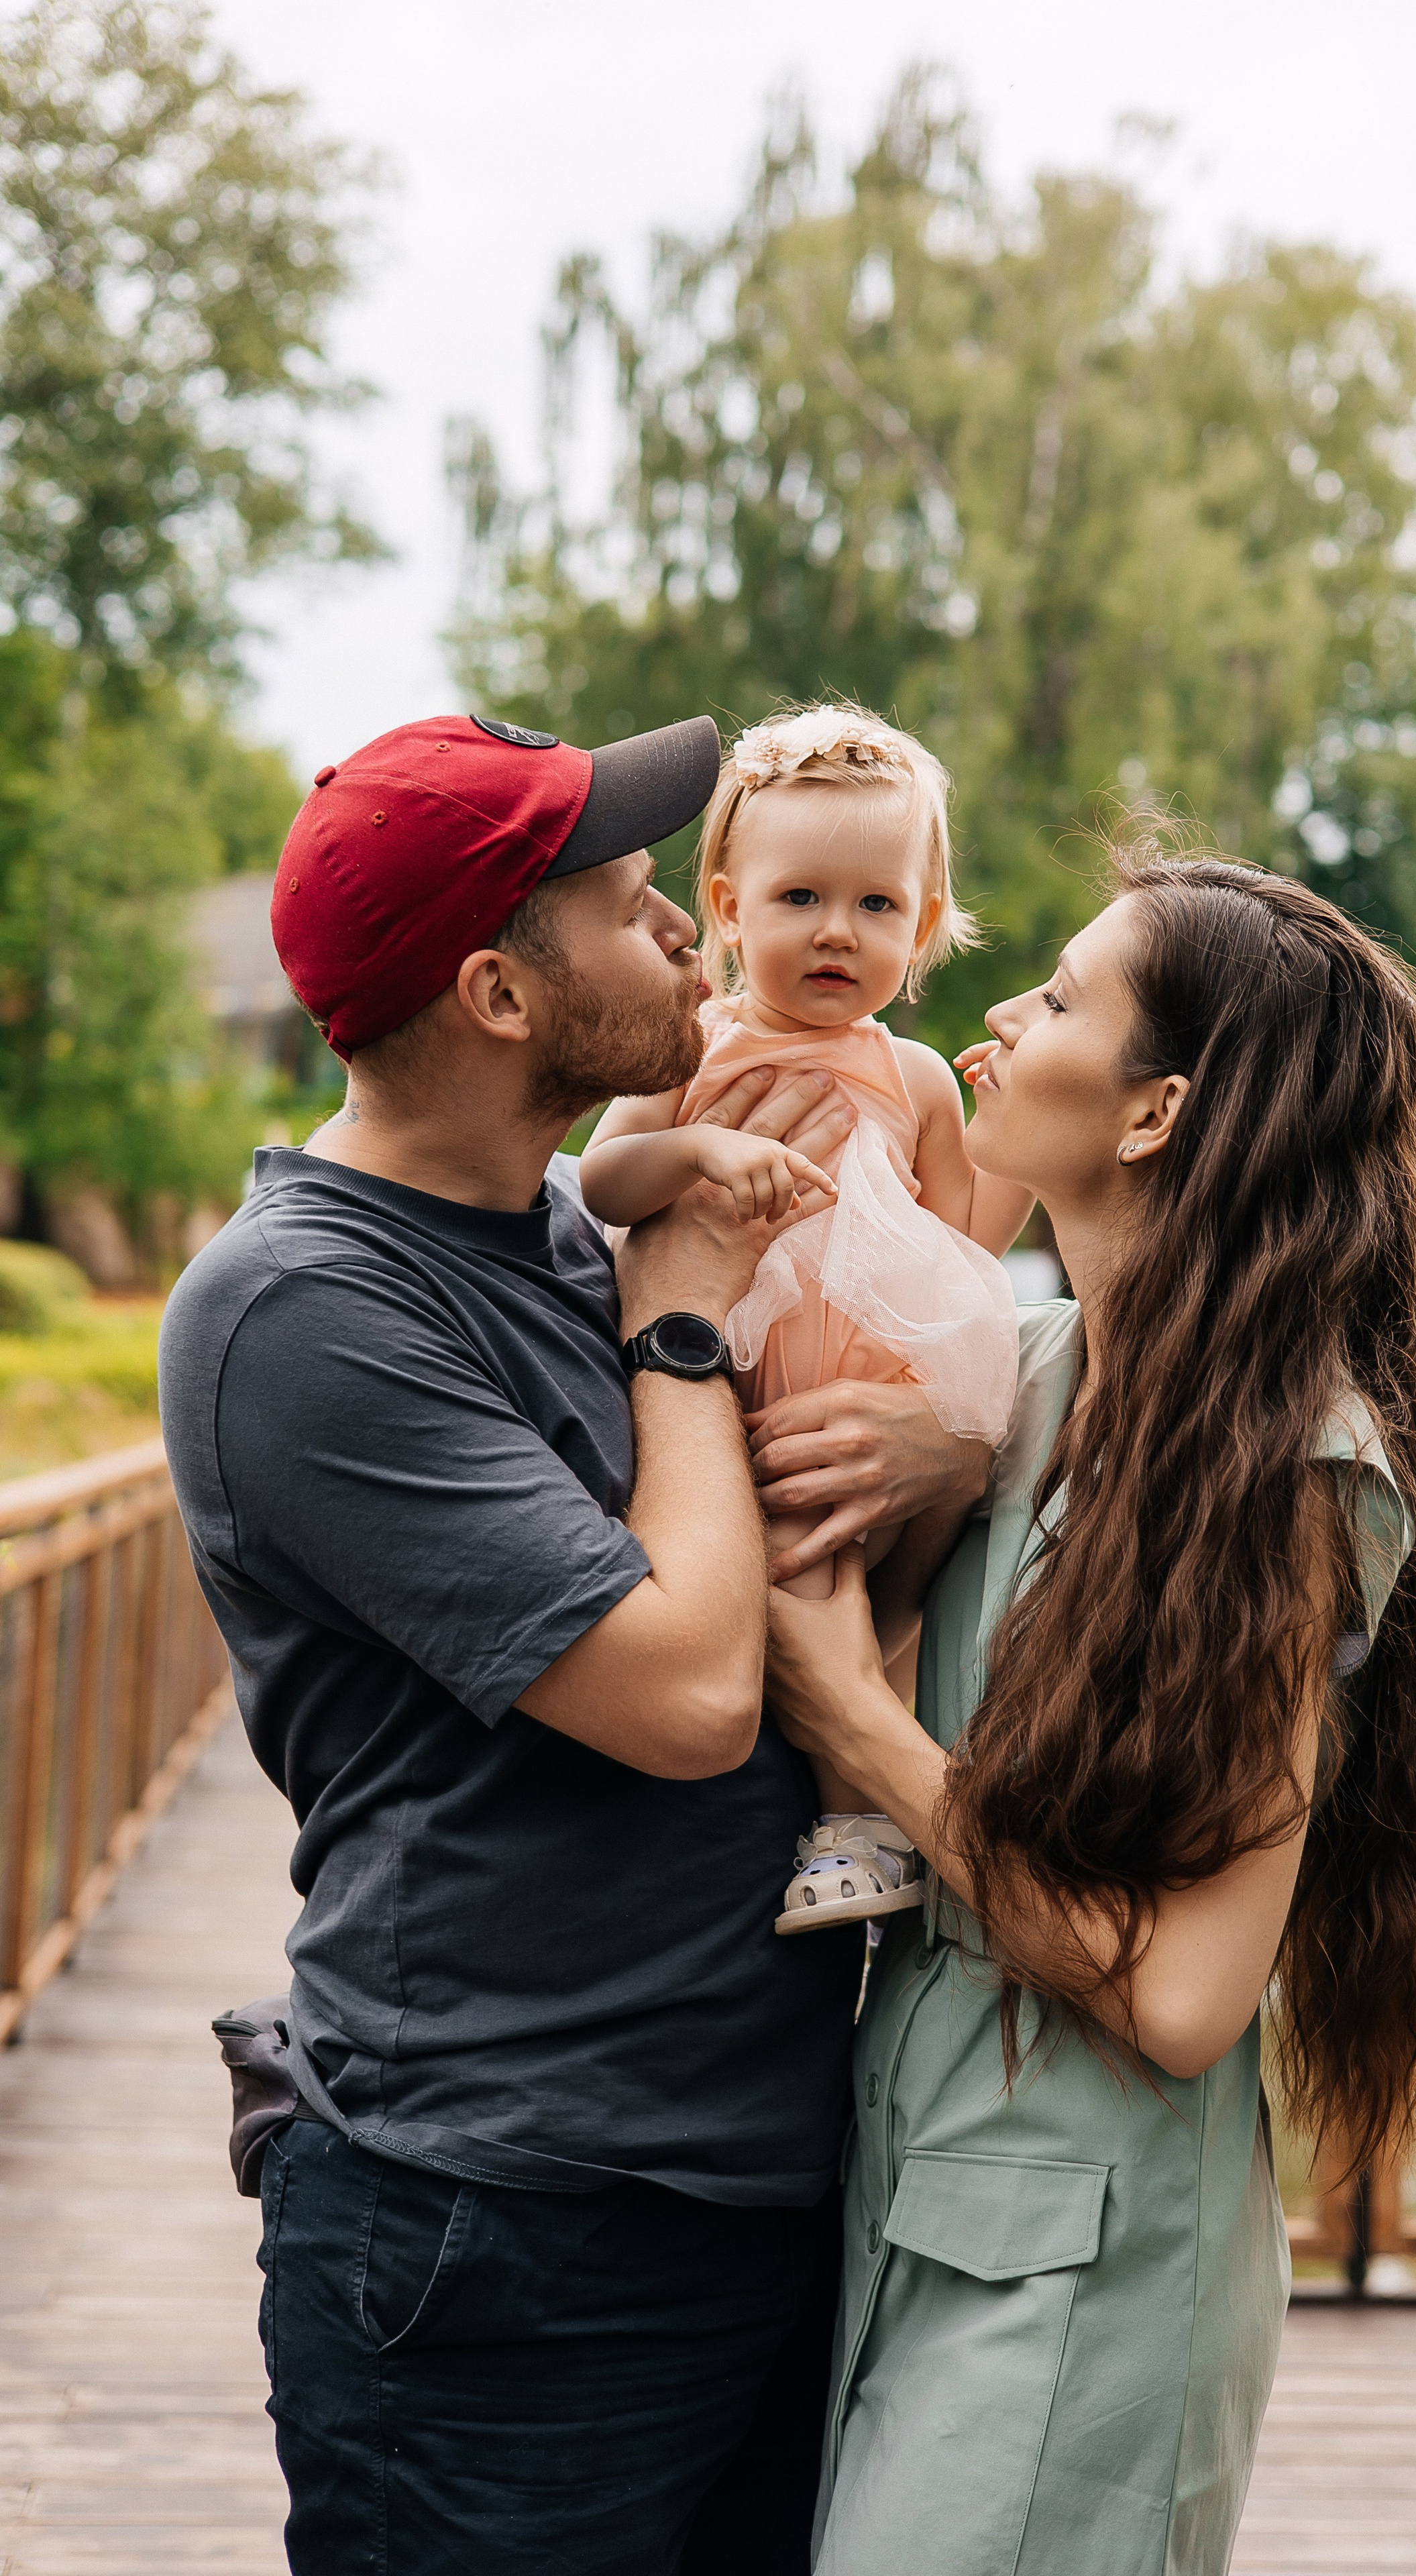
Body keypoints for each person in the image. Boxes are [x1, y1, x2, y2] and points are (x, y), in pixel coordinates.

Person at [158, 710, 987, 2576]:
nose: (692, 935)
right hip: (505, 2224)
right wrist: (681, 1323)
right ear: (499, 995)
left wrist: (941, 1428)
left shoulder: (555, 1228)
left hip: (749, 2181)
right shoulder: (305, 1311)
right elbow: (694, 1696)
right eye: (629, 903)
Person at [765, 849, 1416, 2576]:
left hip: (1086, 2270)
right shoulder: (1018, 1380)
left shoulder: (1286, 1481)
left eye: (1053, 997)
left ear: (1152, 1115)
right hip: (911, 2196)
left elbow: (1188, 1999)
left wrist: (863, 1731)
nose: (995, 1015)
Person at [581, 704, 1031, 1941]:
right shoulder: (695, 1046)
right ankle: (852, 1829)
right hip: (734, 1377)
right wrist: (702, 1145)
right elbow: (604, 1185)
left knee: (889, 1601)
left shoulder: (917, 1077)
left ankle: (870, 1821)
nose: (838, 932)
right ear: (728, 909)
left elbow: (963, 1244)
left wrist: (1023, 1143)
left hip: (866, 1383)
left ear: (924, 928)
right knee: (791, 1571)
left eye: (878, 907)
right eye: (799, 900)